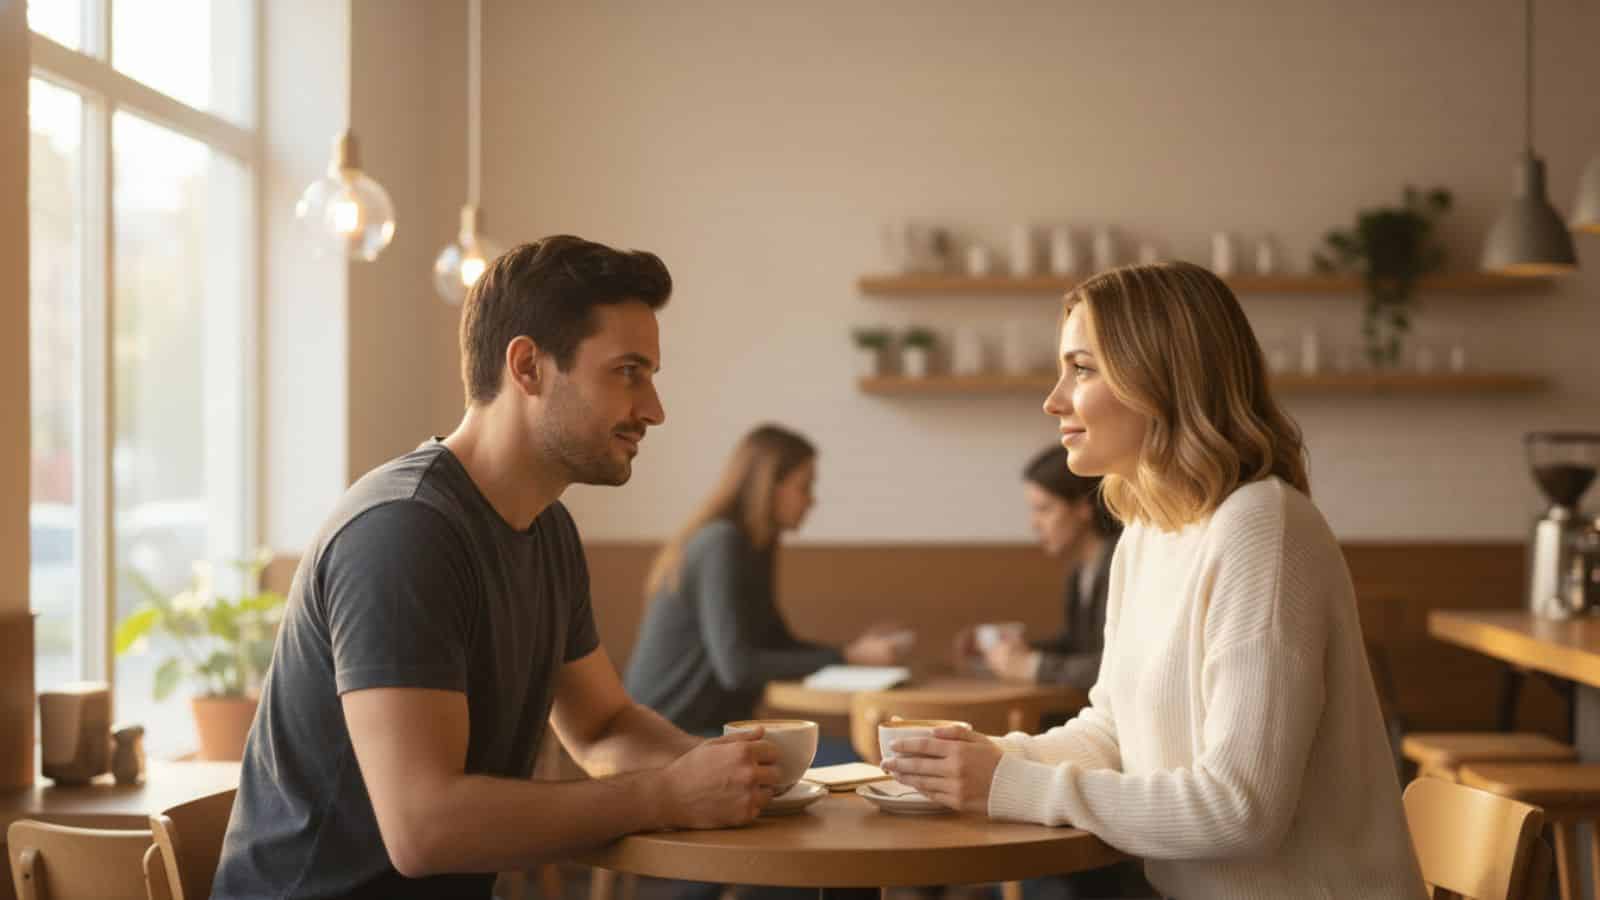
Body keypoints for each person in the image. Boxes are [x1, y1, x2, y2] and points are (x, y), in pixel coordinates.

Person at [213, 237, 783, 900]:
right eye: (629, 372)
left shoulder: (548, 530)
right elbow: (423, 829)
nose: (654, 409)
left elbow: (602, 727)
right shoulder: (403, 531)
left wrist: (730, 771)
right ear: (528, 367)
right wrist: (663, 795)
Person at [882, 262, 1426, 899]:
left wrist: (1008, 784)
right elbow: (1111, 735)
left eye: (1082, 369)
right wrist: (992, 758)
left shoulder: (1261, 526)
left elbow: (1241, 809)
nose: (1054, 399)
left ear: (1160, 378)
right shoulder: (1145, 532)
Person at [625, 423, 907, 753]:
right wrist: (848, 656)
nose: (812, 500)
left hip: (717, 731)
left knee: (858, 753)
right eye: (804, 486)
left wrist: (854, 652)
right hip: (672, 737)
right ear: (770, 485)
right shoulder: (721, 543)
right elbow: (738, 669)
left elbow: (778, 643)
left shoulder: (755, 547)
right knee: (857, 756)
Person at [954, 446, 1120, 689]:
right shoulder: (1080, 571)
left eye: (1044, 509)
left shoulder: (1119, 563)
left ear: (1083, 508)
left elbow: (1118, 668)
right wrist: (1014, 652)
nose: (1034, 524)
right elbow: (1079, 646)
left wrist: (1033, 666)